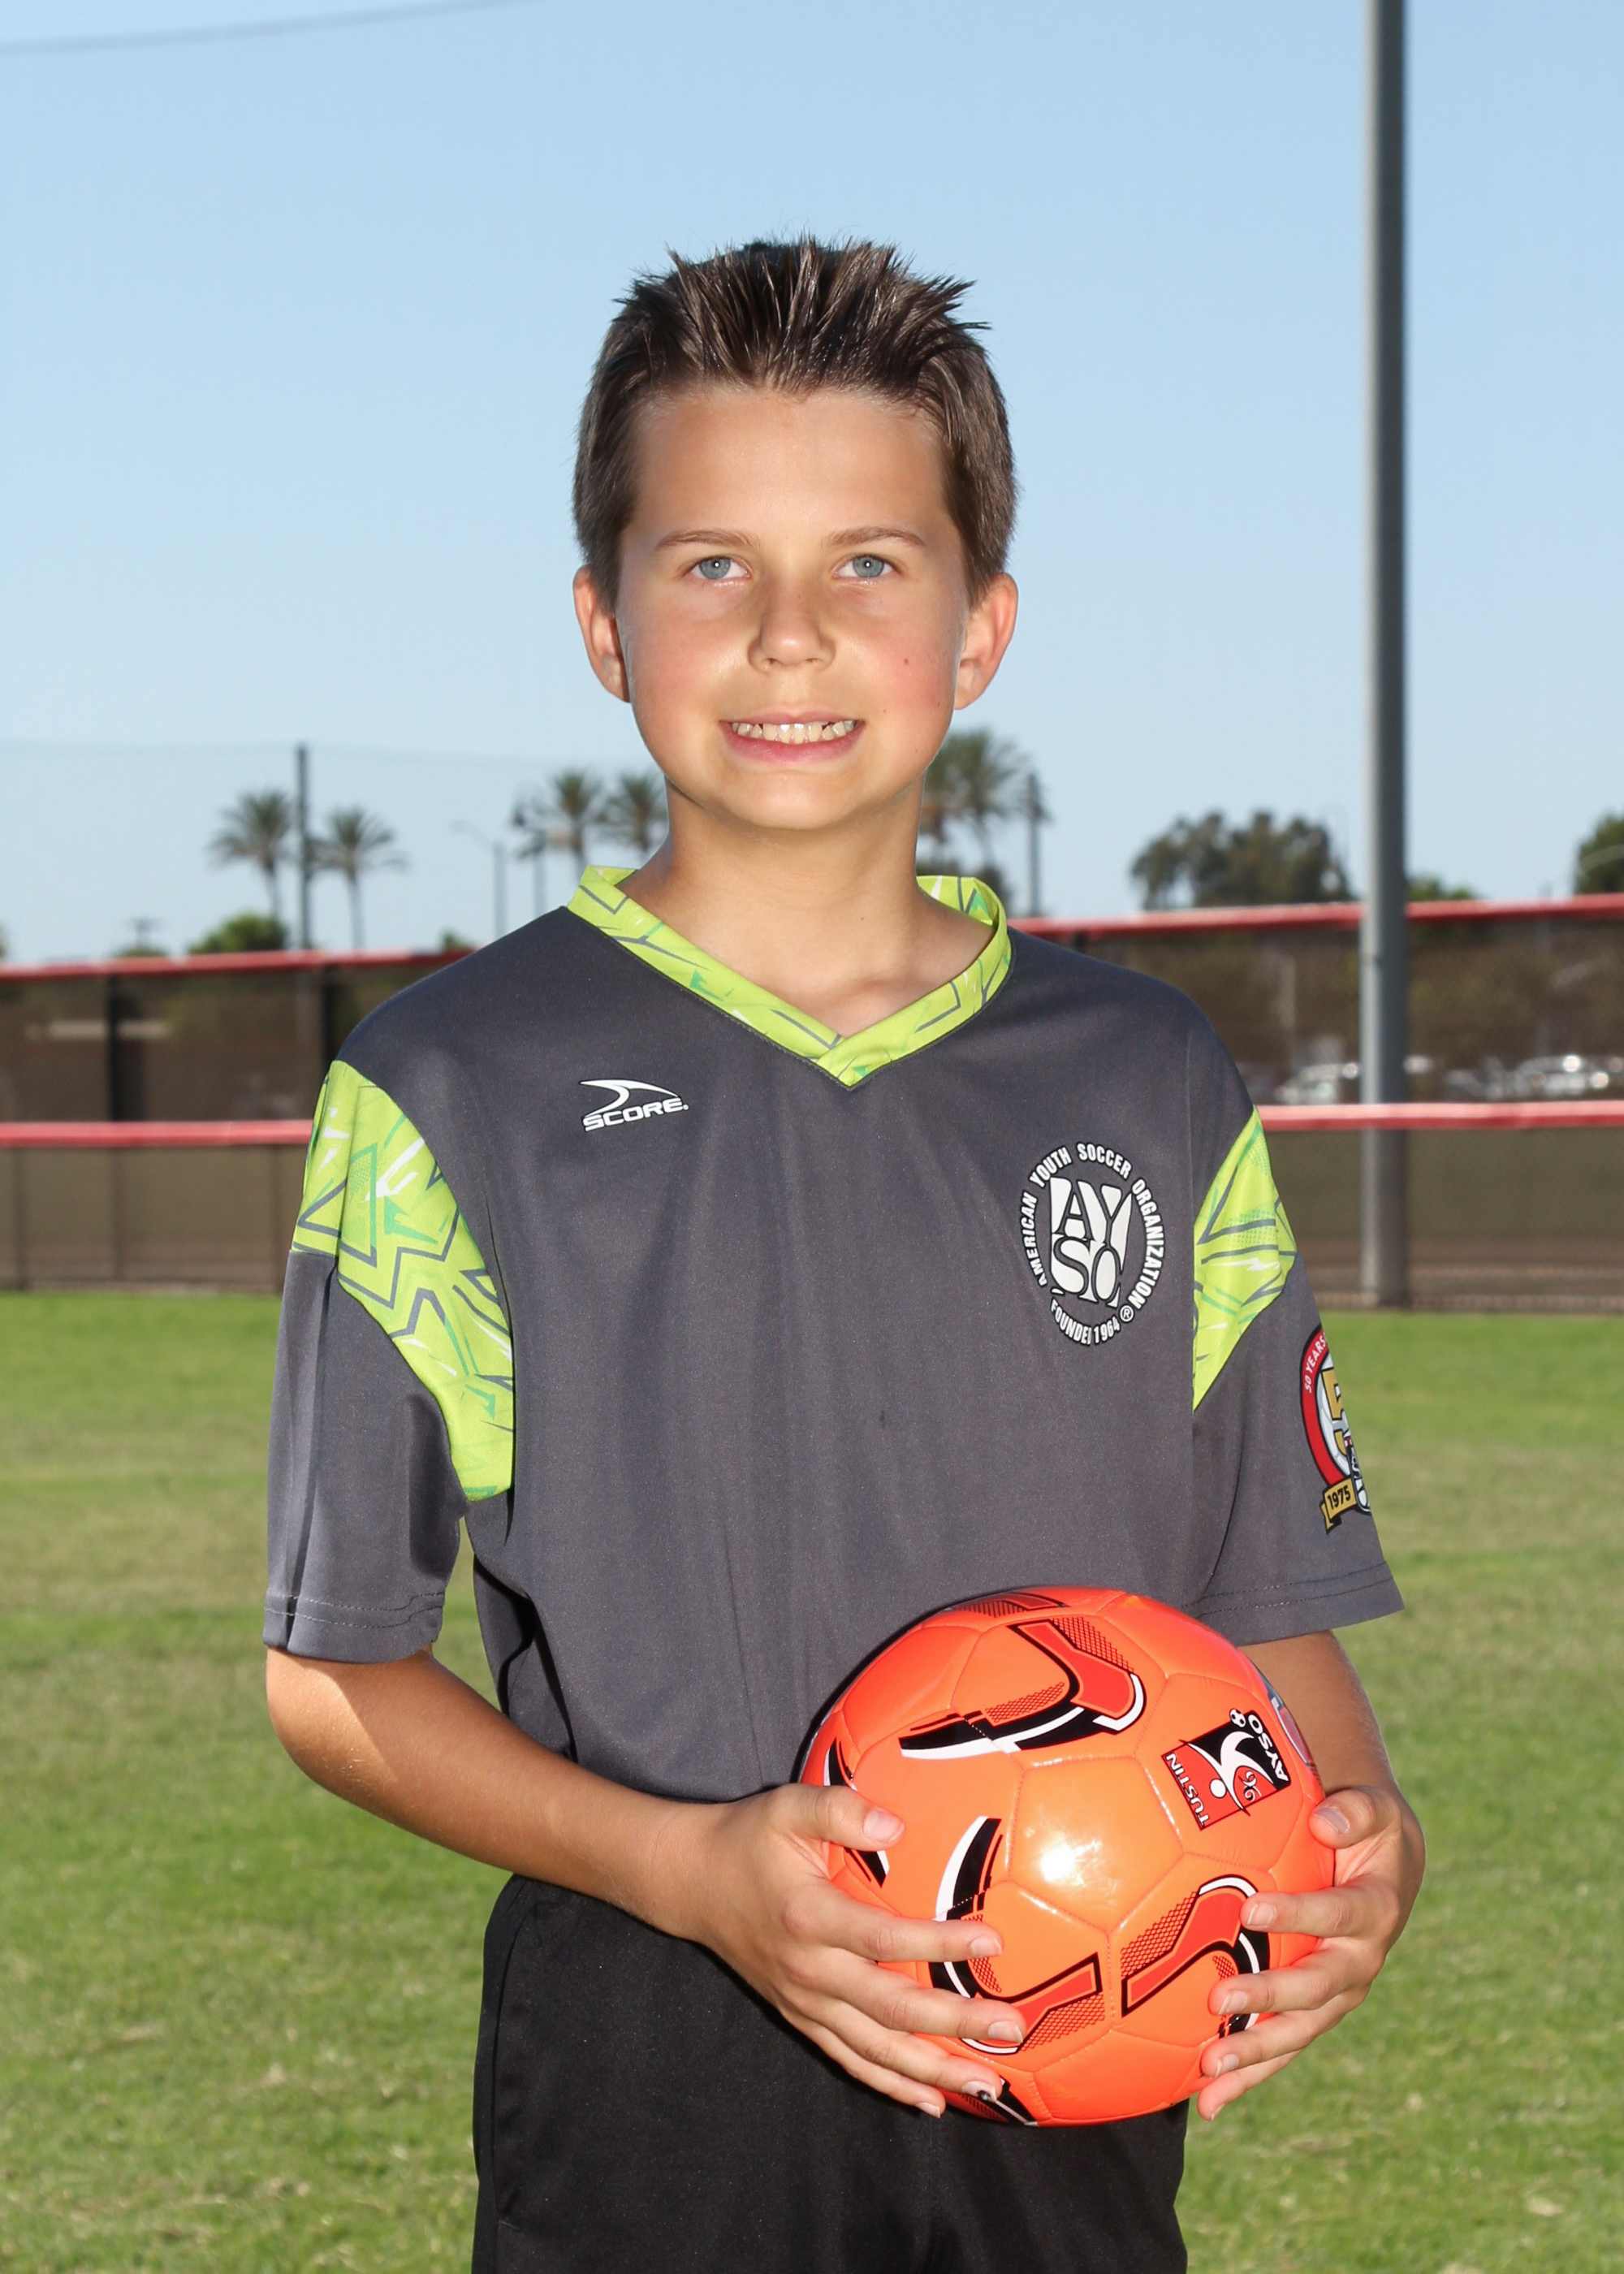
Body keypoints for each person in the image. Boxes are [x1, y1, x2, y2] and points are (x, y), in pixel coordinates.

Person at [264, 238, 1423, 2274]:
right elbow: (331, 1671)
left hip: (1076, 2056)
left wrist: (1358, 1833)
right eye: (711, 562)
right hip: (654, 2062)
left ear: (980, 627)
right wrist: (692, 1867)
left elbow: (1266, 1599)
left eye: (868, 564)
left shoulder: (1147, 1074)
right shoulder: (444, 1085)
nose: (788, 633)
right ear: (602, 622)